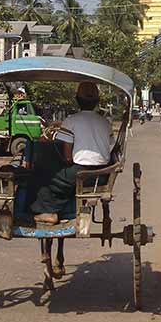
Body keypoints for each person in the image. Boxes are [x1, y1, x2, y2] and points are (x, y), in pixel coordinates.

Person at [30, 81, 115, 224]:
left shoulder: (71, 121)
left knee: (45, 175)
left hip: (81, 174)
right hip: (102, 175)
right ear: (97, 101)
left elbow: (67, 156)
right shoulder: (105, 122)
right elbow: (111, 147)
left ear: (77, 100)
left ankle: (49, 212)